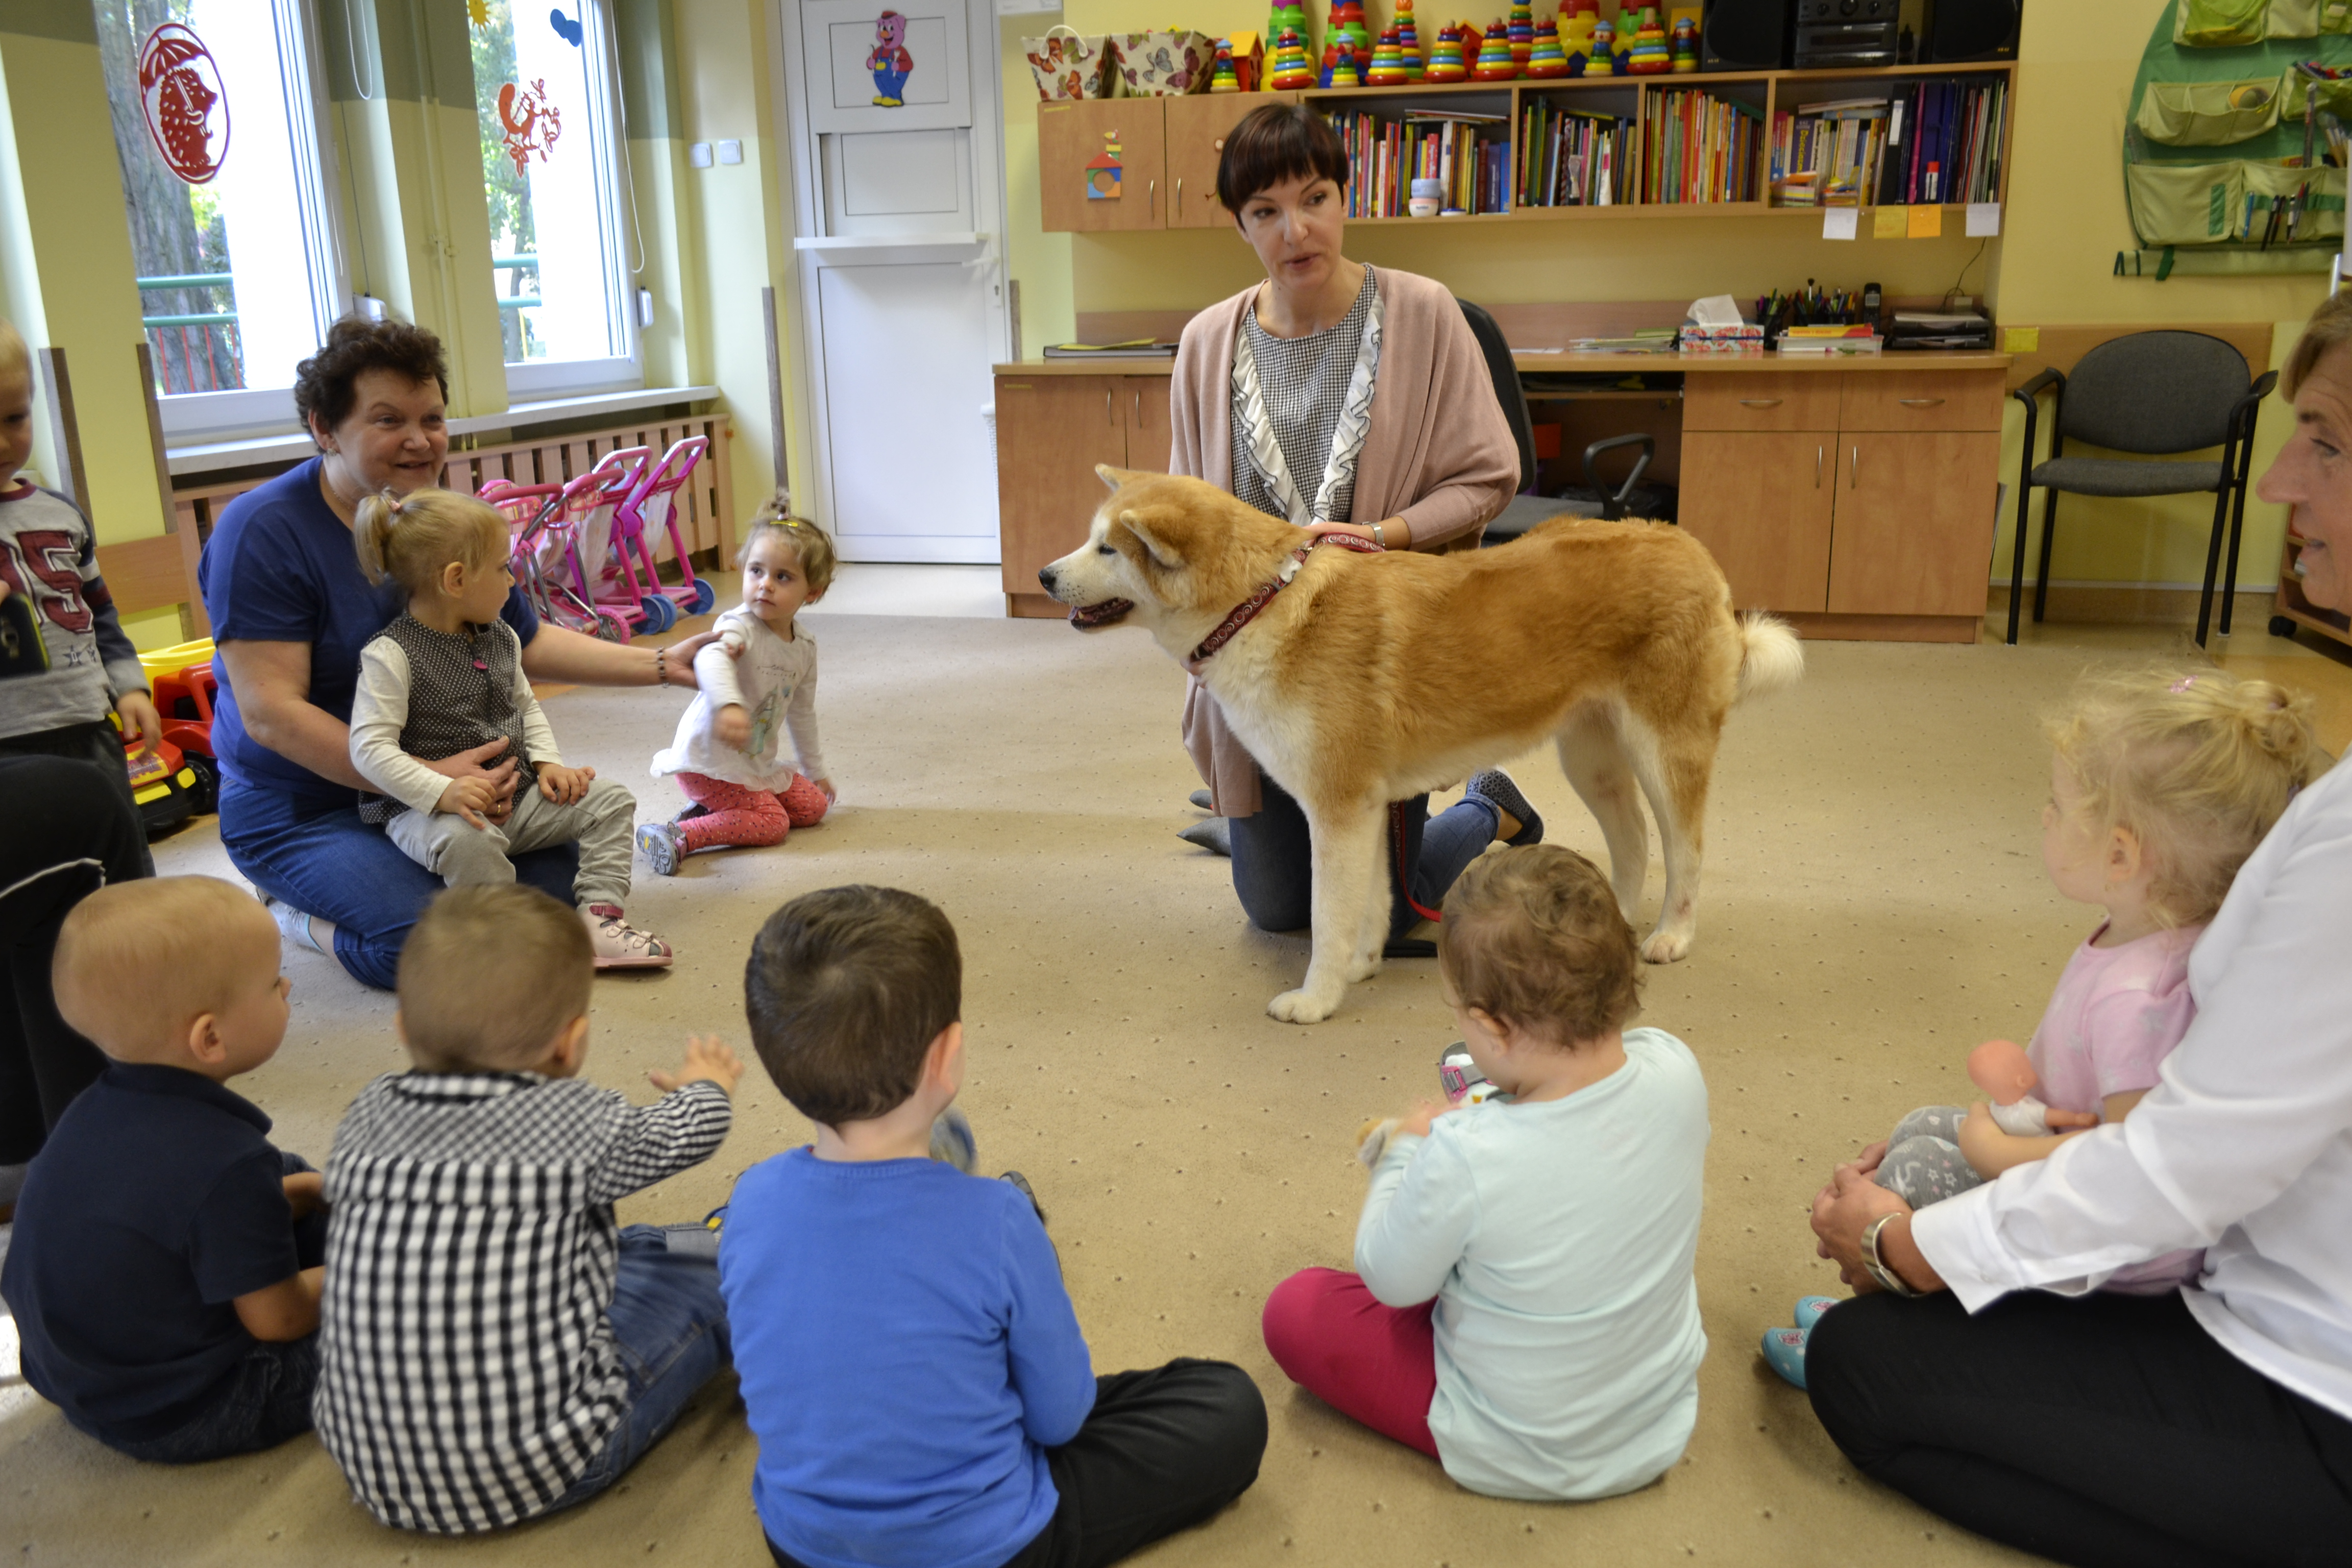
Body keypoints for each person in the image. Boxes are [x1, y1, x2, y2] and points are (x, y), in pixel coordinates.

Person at [1800, 293, 2352, 1566]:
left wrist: (1912, 1243)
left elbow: (2175, 1171)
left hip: (2305, 1374)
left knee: (1866, 1365)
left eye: (2323, 441)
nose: (2278, 479)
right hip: (2249, 1270)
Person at [1767, 667, 2326, 1387]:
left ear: (2121, 855)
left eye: (2056, 807)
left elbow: (2123, 1161)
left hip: (2120, 1256)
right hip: (2058, 1146)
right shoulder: (2136, 937)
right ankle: (1892, 1289)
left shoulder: (2139, 999)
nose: (2042, 818)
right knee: (1919, 1129)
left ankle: (1875, 1320)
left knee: (1913, 1172)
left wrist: (1994, 1147)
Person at [722, 884, 1268, 1568]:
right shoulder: (999, 1220)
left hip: (802, 1547)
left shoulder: (751, 1201)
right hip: (994, 1548)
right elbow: (1060, 1420)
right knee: (1227, 1403)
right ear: (947, 1058)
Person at [199, 314, 724, 990]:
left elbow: (524, 640)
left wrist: (662, 666)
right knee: (442, 951)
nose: (419, 440)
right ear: (324, 428)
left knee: (552, 907)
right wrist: (428, 779)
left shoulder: (435, 521)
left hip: (436, 787)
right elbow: (271, 713)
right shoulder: (264, 531)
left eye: (433, 418)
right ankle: (294, 917)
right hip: (302, 806)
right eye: (388, 420)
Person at [1165, 103, 1536, 945]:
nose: (1296, 229)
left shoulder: (1425, 313)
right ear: (1240, 225)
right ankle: (1265, 827)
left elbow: (1489, 474)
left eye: (1315, 197)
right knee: (1278, 912)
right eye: (1265, 211)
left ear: (1345, 197)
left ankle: (1487, 804)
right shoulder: (1203, 343)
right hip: (1259, 664)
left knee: (1387, 918)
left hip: (1376, 658)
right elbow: (1191, 516)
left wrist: (1384, 534)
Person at [1259, 845, 1708, 1500]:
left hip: (1521, 1444)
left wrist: (1404, 1151)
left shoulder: (1464, 1151)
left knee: (1296, 1310)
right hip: (1655, 1418)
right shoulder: (1678, 1068)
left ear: (1495, 1029)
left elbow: (1389, 1279)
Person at [313, 885, 738, 1533]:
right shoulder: (575, 1123)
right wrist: (706, 1087)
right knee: (726, 1282)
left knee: (626, 1247)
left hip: (371, 1469)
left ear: (402, 1028)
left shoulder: (367, 1111)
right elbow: (687, 1134)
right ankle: (731, 1245)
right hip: (546, 1463)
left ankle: (696, 1245)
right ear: (570, 1043)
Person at [0, 877, 325, 1462]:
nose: (289, 985)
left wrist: (297, 1192)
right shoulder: (227, 1162)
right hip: (180, 1408)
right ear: (210, 1037)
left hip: (82, 1374)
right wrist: (367, 1269)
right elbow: (284, 1319)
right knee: (391, 1309)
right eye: (273, 983)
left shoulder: (91, 1109)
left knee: (287, 1174)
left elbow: (171, 1204)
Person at [348, 486, 669, 966]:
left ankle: (600, 924)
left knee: (612, 800)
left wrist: (547, 764)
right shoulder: (391, 655)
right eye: (502, 568)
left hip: (516, 794)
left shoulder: (501, 636)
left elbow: (526, 707)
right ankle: (504, 949)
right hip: (428, 812)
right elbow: (369, 749)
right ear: (456, 580)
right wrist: (443, 792)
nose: (513, 581)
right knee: (470, 844)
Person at [0, 323, 160, 870]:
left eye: (14, 419)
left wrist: (128, 687)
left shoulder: (60, 513)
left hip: (86, 726)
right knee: (33, 881)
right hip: (7, 746)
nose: (3, 442)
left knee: (119, 869)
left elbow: (99, 613)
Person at [639, 496, 835, 874]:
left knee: (813, 807)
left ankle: (712, 811)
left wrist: (816, 769)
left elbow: (802, 712)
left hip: (752, 762)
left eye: (783, 577)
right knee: (773, 823)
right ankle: (680, 836)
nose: (765, 586)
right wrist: (728, 704)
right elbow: (710, 657)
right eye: (756, 571)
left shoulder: (805, 647)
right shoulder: (738, 625)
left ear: (813, 592)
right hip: (708, 761)